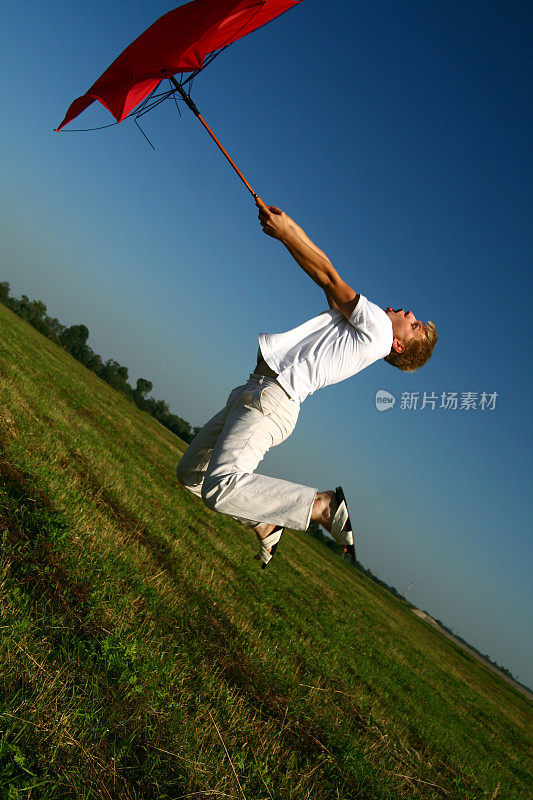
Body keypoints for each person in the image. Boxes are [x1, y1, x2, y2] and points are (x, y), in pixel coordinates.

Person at [176, 201, 437, 568]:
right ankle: (265, 523)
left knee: (221, 488)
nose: (409, 314)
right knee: (190, 474)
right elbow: (326, 271)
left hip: (272, 399)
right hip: (255, 390)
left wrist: (285, 235)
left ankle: (322, 505)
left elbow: (329, 275)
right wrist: (287, 230)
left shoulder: (378, 329)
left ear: (399, 345)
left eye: (414, 325)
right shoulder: (364, 327)